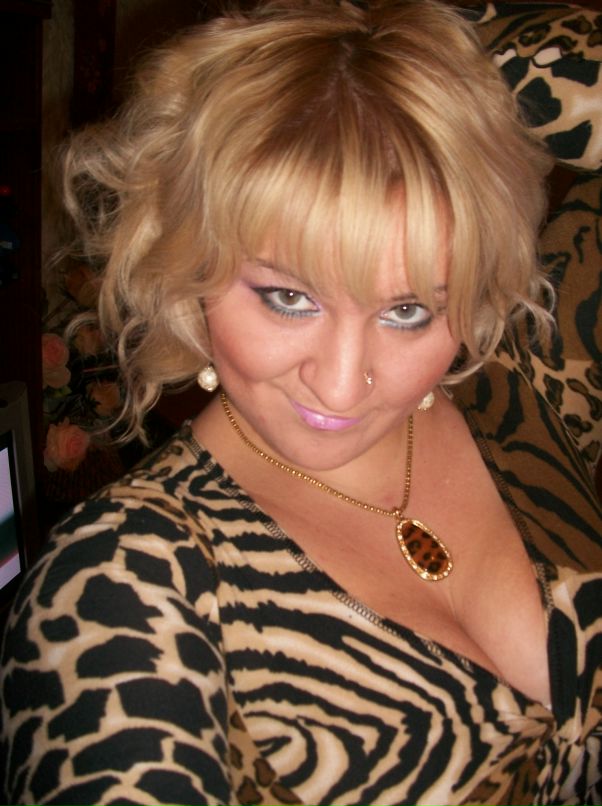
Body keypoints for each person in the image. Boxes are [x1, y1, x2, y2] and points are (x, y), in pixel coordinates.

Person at [2, 1, 601, 804]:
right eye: (289, 297)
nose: (342, 383)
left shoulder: (524, 396)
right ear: (189, 261)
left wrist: (415, 65)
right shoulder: (121, 581)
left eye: (407, 311)